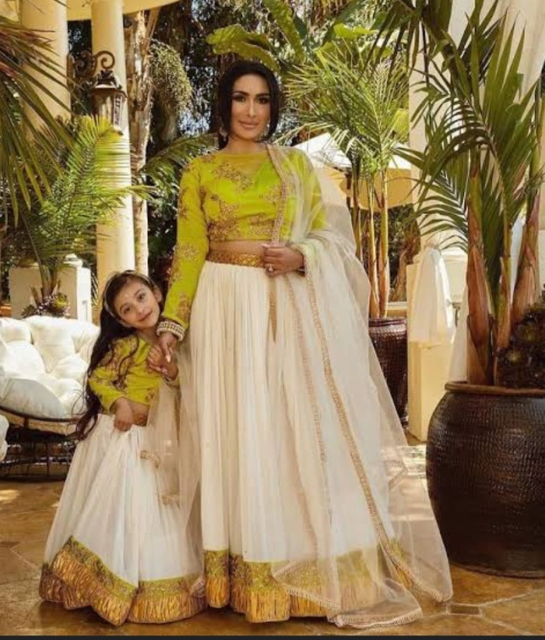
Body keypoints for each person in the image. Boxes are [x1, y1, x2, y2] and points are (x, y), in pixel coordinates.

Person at [154, 60, 453, 628]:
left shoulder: (294, 166)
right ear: (224, 105)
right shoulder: (199, 171)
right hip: (222, 311)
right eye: (240, 98)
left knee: (286, 429)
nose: (251, 111)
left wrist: (300, 256)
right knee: (235, 431)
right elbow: (189, 253)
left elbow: (332, 241)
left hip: (283, 305)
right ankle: (242, 567)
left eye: (262, 100)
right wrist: (171, 326)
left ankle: (302, 564)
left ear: (273, 107)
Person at [39, 270, 205, 626]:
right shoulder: (125, 347)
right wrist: (120, 404)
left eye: (141, 297)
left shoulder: (180, 342)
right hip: (125, 437)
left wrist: (171, 370)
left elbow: (183, 386)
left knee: (155, 509)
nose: (139, 309)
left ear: (156, 293)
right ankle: (104, 579)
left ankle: (150, 581)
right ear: (121, 320)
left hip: (156, 442)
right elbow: (98, 378)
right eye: (127, 309)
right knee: (123, 509)